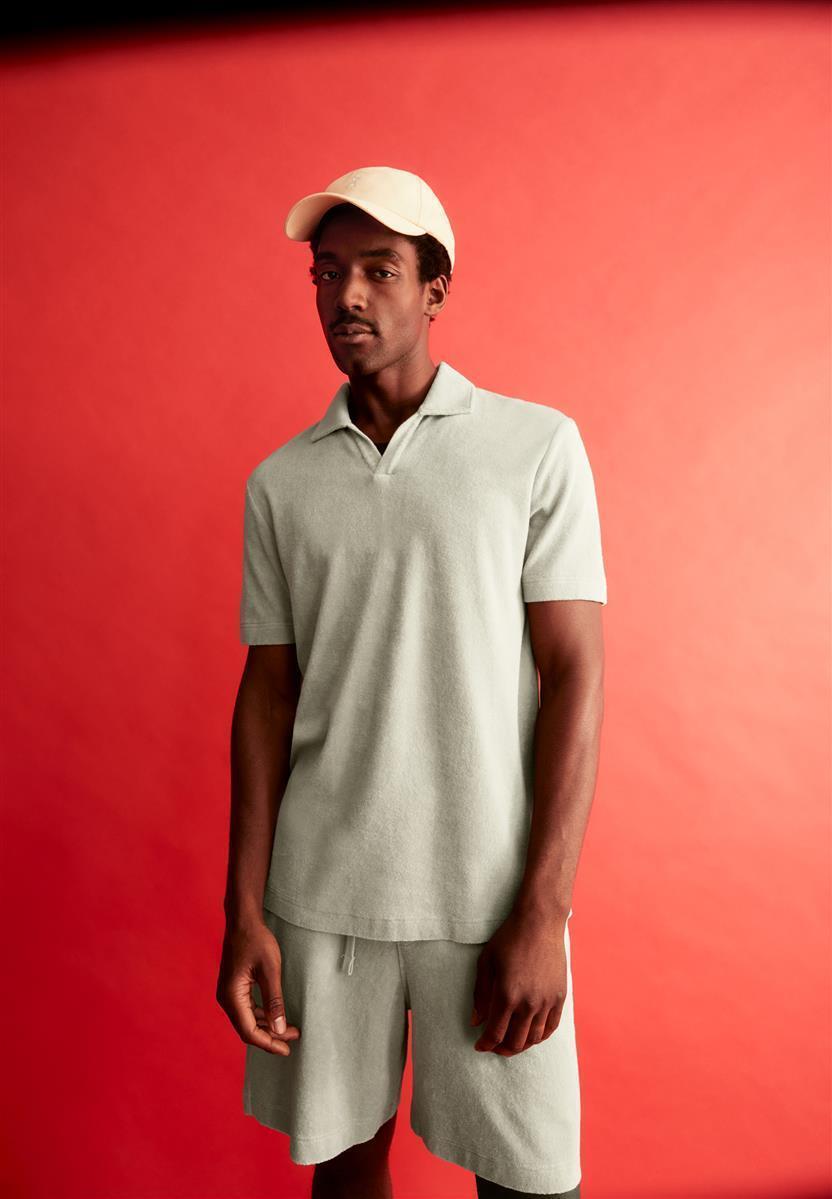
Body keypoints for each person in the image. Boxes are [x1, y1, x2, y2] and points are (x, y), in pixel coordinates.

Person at [216, 166, 607, 1199]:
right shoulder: (281, 482)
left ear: (436, 289)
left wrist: (543, 911)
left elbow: (575, 673)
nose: (346, 295)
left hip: (486, 895)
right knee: (345, 1176)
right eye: (327, 272)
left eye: (379, 270)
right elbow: (267, 696)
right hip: (321, 894)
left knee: (529, 1179)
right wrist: (244, 910)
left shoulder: (534, 447)